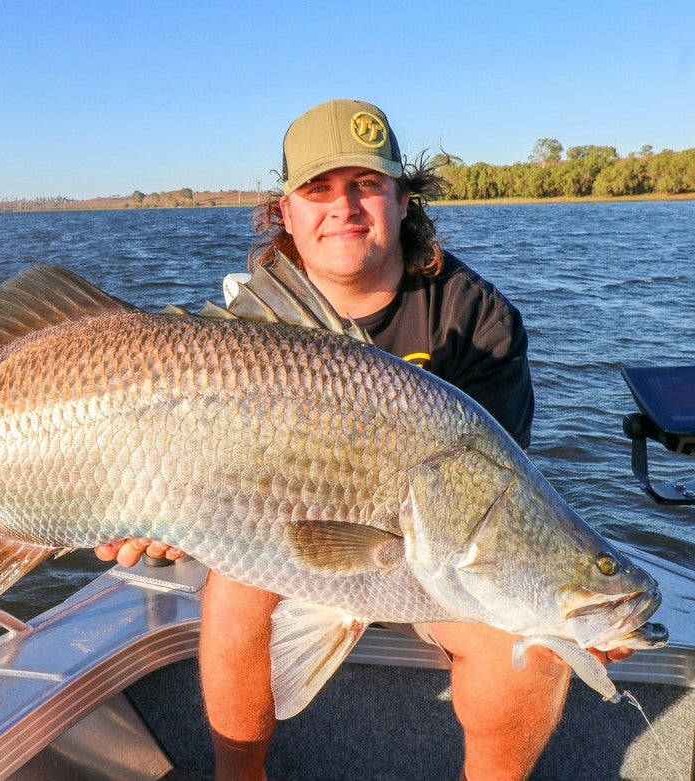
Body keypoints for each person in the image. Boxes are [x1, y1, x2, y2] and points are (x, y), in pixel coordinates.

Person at [97, 99, 630, 780]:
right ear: (285, 212)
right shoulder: (252, 323)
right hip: (293, 536)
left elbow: (498, 505)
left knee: (533, 646)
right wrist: (163, 513)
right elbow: (209, 480)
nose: (343, 206)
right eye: (318, 189)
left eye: (366, 185)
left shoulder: (478, 318)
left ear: (404, 200)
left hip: (428, 561)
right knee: (232, 589)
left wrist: (566, 605)